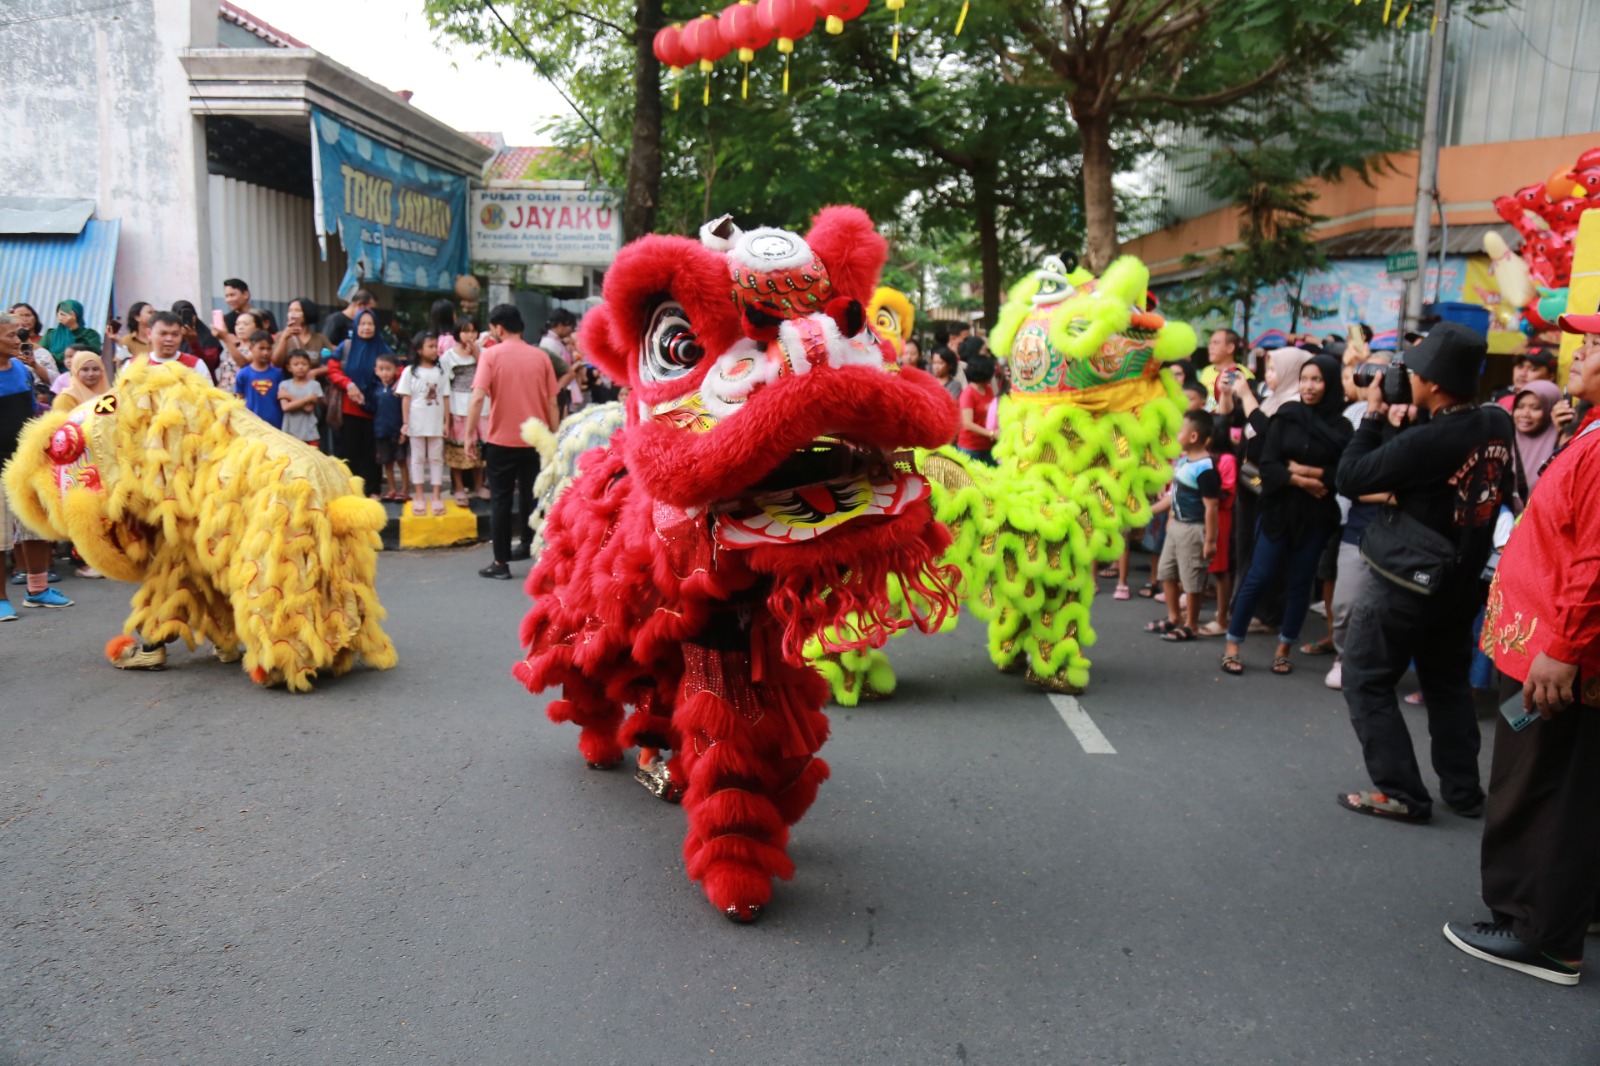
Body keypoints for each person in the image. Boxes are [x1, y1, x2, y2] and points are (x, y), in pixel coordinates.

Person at [1442, 309, 1600, 986]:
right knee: (1560, 787)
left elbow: (1595, 559)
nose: (1576, 352)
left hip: (1555, 656)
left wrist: (1564, 647)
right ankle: (1565, 908)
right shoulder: (1588, 427)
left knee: (1542, 790)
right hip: (1542, 643)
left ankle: (1540, 932)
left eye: (1593, 345)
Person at [1333, 322, 1516, 823]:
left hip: (1405, 584)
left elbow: (1349, 477)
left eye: (1411, 371)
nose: (1402, 377)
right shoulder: (1497, 422)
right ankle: (1463, 792)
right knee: (1447, 685)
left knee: (1366, 679)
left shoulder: (1428, 442)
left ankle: (1402, 793)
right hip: (1462, 583)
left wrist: (1372, 416)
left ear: (1433, 383)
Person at [1222, 354, 1351, 676]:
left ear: (1330, 384)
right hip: (1278, 511)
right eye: (1305, 379)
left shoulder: (1342, 427)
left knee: (1300, 582)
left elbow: (1342, 474)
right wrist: (1303, 480)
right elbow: (1267, 466)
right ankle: (1232, 644)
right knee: (1258, 575)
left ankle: (1284, 648)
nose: (1308, 386)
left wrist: (1298, 468)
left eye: (1317, 380)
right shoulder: (1286, 415)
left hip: (1316, 517)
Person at [466, 304, 559, 580]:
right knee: (533, 497)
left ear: (499, 328)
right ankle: (530, 548)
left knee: (501, 501)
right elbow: (553, 402)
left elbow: (477, 398)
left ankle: (500, 563)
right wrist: (553, 438)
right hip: (536, 439)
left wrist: (468, 435)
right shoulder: (541, 357)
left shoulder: (491, 355)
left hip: (501, 441)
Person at [0, 311, 74, 619]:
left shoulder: (20, 369)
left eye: (20, 333)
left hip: (28, 461)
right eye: (12, 335)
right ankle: (1, 600)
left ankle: (38, 590)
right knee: (1, 536)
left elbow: (32, 410)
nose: (20, 340)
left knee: (34, 527)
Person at [1146, 409, 1221, 642]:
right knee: (1166, 572)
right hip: (1176, 526)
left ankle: (1192, 625)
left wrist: (1209, 541)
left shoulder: (1206, 468)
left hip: (1192, 529)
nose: (1176, 434)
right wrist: (1151, 512)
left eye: (1180, 430)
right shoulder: (1183, 461)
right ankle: (1174, 617)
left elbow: (1211, 508)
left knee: (1191, 580)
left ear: (1194, 437)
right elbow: (1173, 496)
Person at [324, 309, 389, 498]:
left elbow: (398, 369)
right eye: (362, 324)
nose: (366, 328)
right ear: (356, 326)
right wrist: (349, 385)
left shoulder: (382, 348)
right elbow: (332, 369)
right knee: (349, 450)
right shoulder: (346, 346)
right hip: (349, 406)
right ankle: (350, 490)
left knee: (372, 452)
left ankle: (373, 490)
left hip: (374, 409)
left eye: (370, 324)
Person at [398, 331, 448, 516]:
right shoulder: (410, 372)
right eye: (430, 346)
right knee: (417, 459)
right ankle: (419, 495)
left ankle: (436, 495)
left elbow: (446, 397)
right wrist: (405, 423)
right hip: (416, 422)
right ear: (419, 350)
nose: (435, 350)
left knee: (436, 459)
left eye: (436, 346)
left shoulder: (440, 371)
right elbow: (406, 398)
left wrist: (446, 422)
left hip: (436, 423)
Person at [1197, 417, 1238, 637]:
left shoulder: (1227, 459)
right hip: (1201, 514)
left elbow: (1227, 490)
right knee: (1199, 565)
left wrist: (1204, 489)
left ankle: (1222, 617)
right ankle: (1195, 609)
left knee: (1220, 569)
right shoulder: (1202, 457)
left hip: (1219, 515)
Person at [440, 317, 486, 504]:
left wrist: (476, 354)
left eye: (473, 331)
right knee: (457, 449)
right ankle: (459, 487)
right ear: (457, 333)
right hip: (458, 406)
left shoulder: (483, 353)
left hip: (481, 406)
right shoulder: (448, 357)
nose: (470, 335)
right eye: (466, 331)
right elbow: (444, 388)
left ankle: (479, 485)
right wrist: (446, 418)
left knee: (480, 448)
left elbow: (489, 371)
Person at [955, 341, 998, 465]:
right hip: (971, 448)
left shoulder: (988, 389)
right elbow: (967, 423)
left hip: (987, 446)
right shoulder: (968, 393)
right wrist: (991, 433)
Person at [139, 311, 214, 382]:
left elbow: (209, 394)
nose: (169, 339)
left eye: (175, 334)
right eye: (163, 334)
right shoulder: (135, 366)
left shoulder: (196, 364)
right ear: (149, 334)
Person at [371, 354, 407, 501]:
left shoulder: (398, 389)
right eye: (381, 369)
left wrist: (404, 431)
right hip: (381, 432)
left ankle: (404, 490)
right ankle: (392, 489)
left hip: (397, 431)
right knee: (387, 463)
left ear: (395, 371)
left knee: (402, 461)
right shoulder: (375, 390)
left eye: (388, 369)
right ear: (376, 371)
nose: (385, 373)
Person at [234, 330, 284, 430]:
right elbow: (239, 400)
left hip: (276, 424)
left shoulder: (277, 373)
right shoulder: (243, 374)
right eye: (261, 348)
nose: (265, 352)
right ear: (251, 348)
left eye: (269, 349)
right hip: (253, 425)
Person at [537, 308, 580, 416]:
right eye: (570, 326)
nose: (571, 330)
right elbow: (553, 370)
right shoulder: (550, 343)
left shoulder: (556, 341)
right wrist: (573, 368)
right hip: (556, 390)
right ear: (560, 325)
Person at [1198, 328, 1253, 410]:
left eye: (1215, 343)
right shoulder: (1206, 371)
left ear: (1230, 348)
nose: (1210, 347)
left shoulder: (1242, 374)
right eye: (1210, 343)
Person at [277, 350, 323, 449]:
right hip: (289, 432)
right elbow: (285, 407)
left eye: (304, 364)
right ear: (289, 367)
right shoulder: (284, 385)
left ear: (309, 366)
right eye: (296, 364)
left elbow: (308, 409)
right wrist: (307, 398)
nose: (300, 367)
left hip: (309, 433)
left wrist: (289, 396)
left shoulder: (314, 385)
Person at [42, 300, 102, 372]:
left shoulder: (91, 334)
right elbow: (42, 355)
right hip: (54, 377)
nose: (62, 315)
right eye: (61, 312)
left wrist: (74, 327)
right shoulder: (50, 334)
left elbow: (92, 353)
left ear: (77, 313)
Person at [1494, 345, 1559, 411]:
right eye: (1520, 367)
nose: (1522, 374)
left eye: (1532, 369)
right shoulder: (1502, 397)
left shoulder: (1556, 406)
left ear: (1550, 377)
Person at [272, 298, 329, 369]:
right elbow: (276, 362)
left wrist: (316, 372)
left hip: (313, 379)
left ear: (307, 312)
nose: (293, 314)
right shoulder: (280, 335)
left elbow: (331, 363)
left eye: (297, 310)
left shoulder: (320, 338)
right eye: (290, 311)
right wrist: (284, 338)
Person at [170, 300, 222, 373]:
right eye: (179, 315)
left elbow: (209, 365)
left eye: (189, 315)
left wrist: (193, 343)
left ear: (195, 316)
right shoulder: (170, 339)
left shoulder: (208, 337)